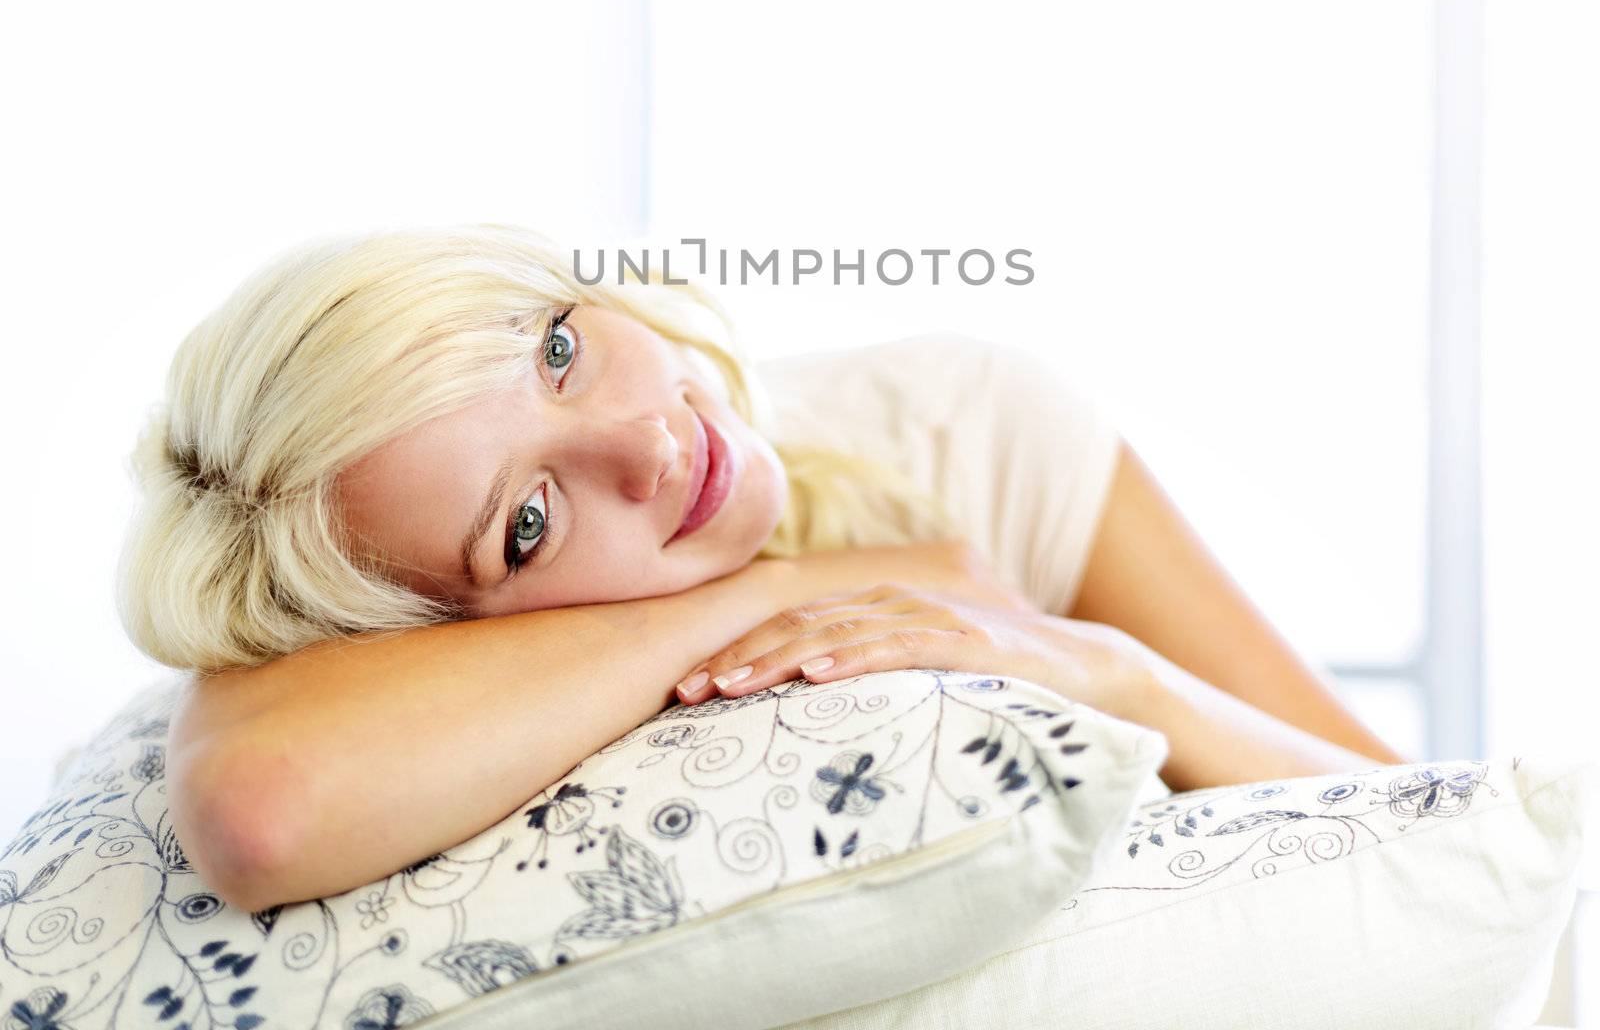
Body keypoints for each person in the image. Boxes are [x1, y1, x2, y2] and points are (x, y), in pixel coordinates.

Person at [116, 222, 1408, 914]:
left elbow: (1438, 818)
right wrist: (768, 595)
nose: (652, 442)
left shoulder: (962, 425)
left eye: (558, 351)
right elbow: (262, 807)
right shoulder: (409, 654)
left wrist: (1119, 676)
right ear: (436, 629)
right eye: (528, 523)